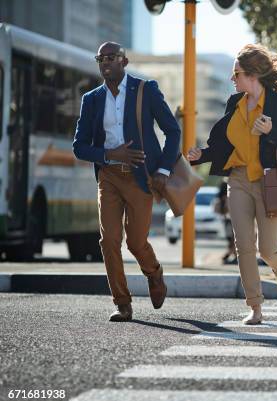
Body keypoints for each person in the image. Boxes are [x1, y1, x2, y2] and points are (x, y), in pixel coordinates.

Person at [188, 44, 277, 325]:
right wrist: (202, 155)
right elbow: (221, 146)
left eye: (236, 74)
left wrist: (272, 132)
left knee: (267, 249)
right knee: (243, 245)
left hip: (270, 182)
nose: (232, 80)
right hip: (237, 181)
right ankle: (256, 307)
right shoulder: (233, 103)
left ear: (253, 76)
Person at [73, 42, 181, 321]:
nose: (105, 62)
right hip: (108, 176)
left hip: (140, 176)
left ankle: (154, 274)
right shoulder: (92, 99)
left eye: (111, 57)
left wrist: (164, 171)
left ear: (124, 61)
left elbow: (172, 131)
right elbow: (80, 147)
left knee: (136, 242)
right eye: (101, 58)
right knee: (109, 240)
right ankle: (122, 303)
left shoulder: (146, 91)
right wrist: (110, 154)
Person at [214, 182, 237, 264]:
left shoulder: (226, 186)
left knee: (233, 238)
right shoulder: (227, 186)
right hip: (229, 219)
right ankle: (232, 255)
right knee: (231, 238)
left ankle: (232, 254)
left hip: (230, 219)